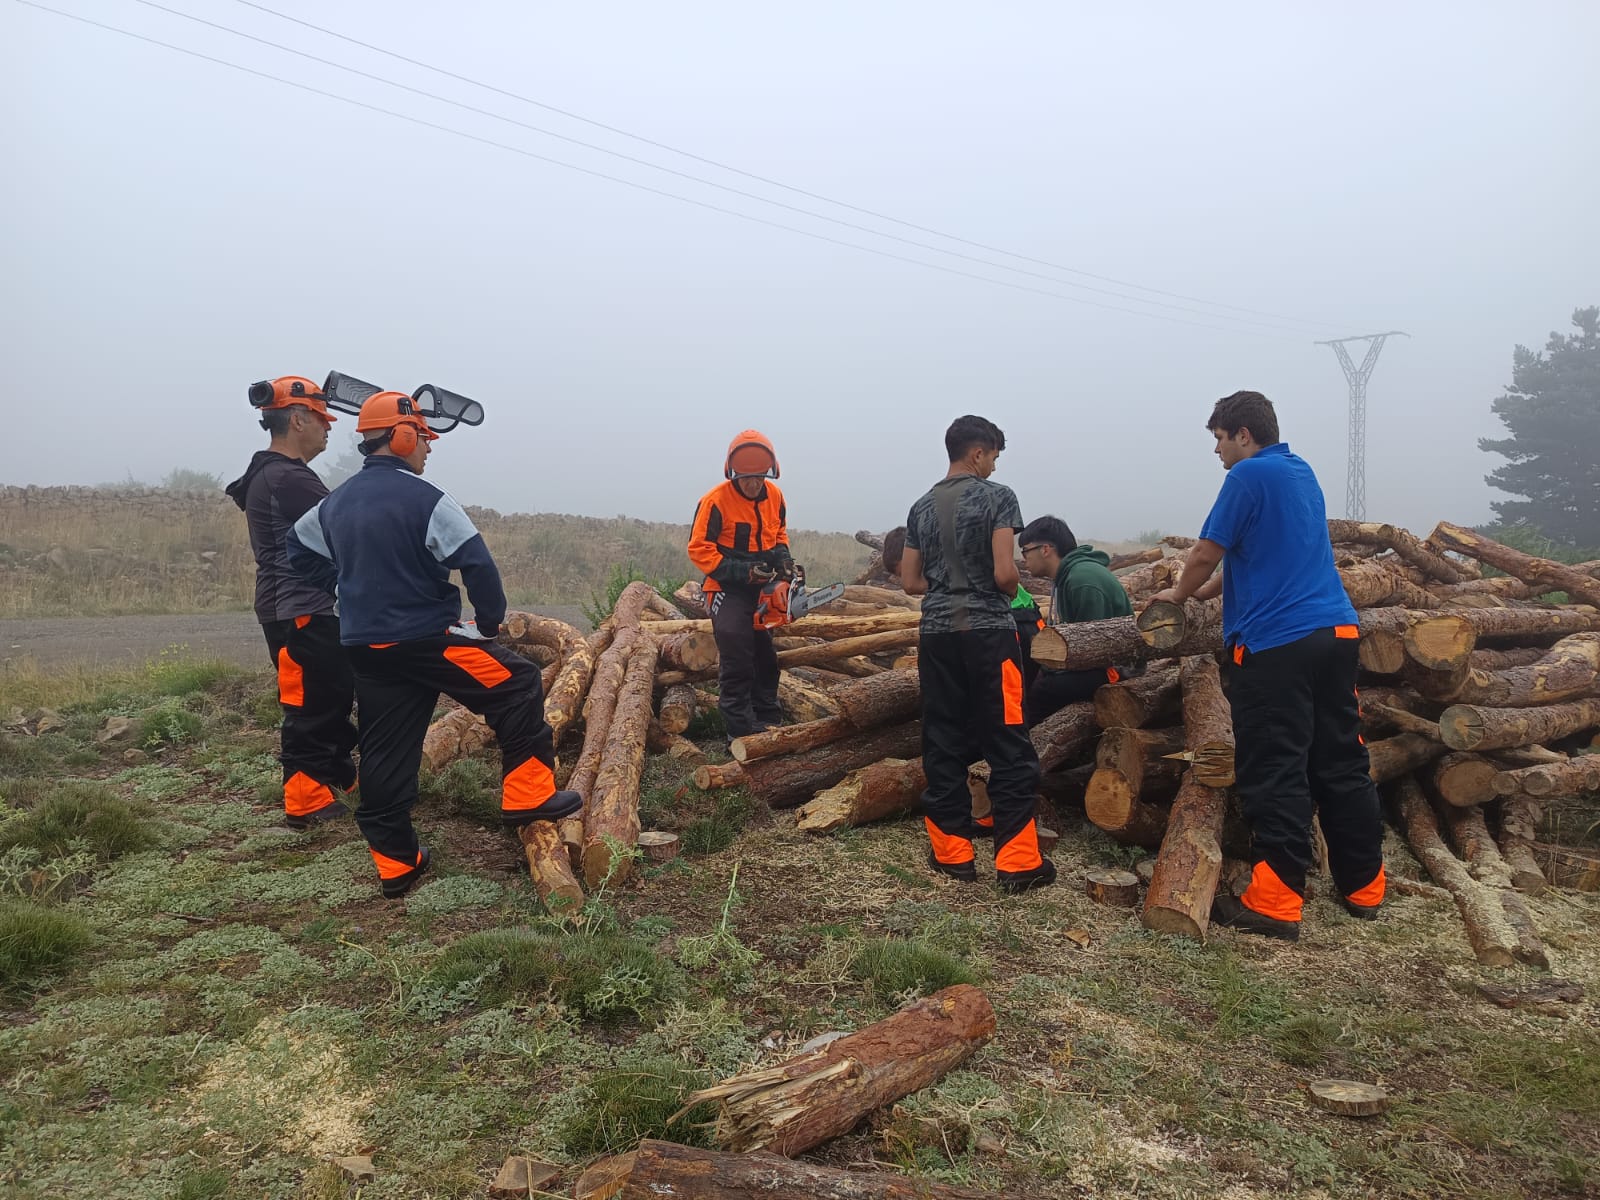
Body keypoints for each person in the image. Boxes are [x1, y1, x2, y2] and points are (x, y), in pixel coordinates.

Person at [287, 389, 580, 899]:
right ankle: (527, 795)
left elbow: (297, 548)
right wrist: (488, 624)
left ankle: (397, 863)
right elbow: (477, 565)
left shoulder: (334, 502)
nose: (428, 448)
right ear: (401, 438)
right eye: (423, 437)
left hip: (366, 646)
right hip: (426, 641)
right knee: (518, 683)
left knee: (385, 746)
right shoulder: (428, 499)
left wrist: (340, 586)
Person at [1146, 390, 1385, 941]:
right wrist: (1203, 593)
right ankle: (1364, 886)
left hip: (1278, 646)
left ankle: (1276, 903)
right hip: (1335, 633)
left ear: (1243, 435)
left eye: (1219, 440)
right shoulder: (1300, 474)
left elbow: (1207, 550)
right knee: (1342, 760)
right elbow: (1247, 560)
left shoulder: (1246, 477)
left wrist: (1174, 601)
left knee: (1276, 765)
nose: (1218, 452)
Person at [901, 415, 1055, 893]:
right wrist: (989, 589)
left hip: (937, 637)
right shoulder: (998, 498)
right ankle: (1017, 862)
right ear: (978, 453)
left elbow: (909, 582)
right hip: (989, 634)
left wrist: (947, 587)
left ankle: (952, 855)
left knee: (943, 738)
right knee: (1008, 740)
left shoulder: (920, 506)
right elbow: (1007, 574)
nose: (992, 467)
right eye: (992, 458)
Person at [225, 376, 357, 829]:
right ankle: (304, 798)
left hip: (306, 605)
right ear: (297, 419)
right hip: (298, 608)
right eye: (322, 419)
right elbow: (343, 529)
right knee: (309, 703)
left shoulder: (280, 474)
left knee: (332, 690)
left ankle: (337, 774)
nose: (328, 429)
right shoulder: (286, 477)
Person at [687, 430, 794, 739]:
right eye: (748, 478)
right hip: (725, 587)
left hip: (759, 587)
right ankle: (739, 728)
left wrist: (784, 562)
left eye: (760, 477)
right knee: (737, 649)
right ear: (734, 474)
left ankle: (767, 715)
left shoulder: (775, 497)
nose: (754, 483)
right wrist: (741, 571)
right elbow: (699, 548)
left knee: (765, 654)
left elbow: (779, 535)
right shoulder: (715, 501)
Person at [1016, 515, 1135, 726]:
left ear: (1045, 550)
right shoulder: (1068, 577)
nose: (1024, 559)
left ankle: (1029, 750)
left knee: (1043, 691)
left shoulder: (1082, 580)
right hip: (1093, 662)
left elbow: (1092, 650)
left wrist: (1049, 671)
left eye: (1025, 551)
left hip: (1114, 668)